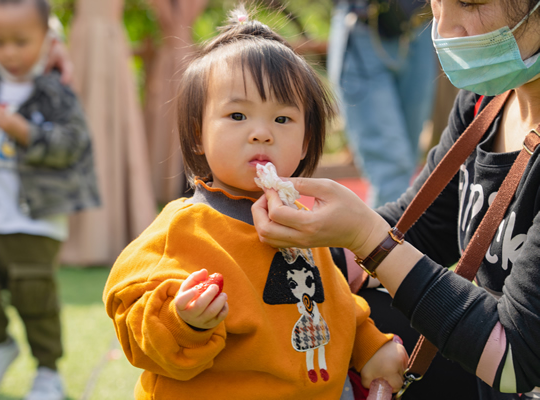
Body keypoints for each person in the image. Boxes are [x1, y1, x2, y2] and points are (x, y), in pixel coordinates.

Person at [103, 6, 407, 400]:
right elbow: (130, 317)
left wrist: (370, 346)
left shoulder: (305, 222)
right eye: (237, 115)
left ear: (305, 141)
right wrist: (182, 321)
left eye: (282, 120)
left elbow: (335, 304)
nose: (261, 133)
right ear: (197, 134)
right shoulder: (183, 228)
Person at [252, 0, 540, 399]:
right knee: (346, 311)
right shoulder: (485, 101)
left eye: (473, 3)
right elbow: (421, 224)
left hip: (513, 367)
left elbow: (517, 360)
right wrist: (291, 248)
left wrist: (367, 236)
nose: (445, 28)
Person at [0, 0, 100, 398]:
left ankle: (48, 371)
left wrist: (26, 132)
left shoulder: (55, 91)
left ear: (47, 39)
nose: (8, 52)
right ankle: (1, 343)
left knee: (35, 299)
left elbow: (74, 144)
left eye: (20, 41)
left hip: (35, 218)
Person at [327, 0, 437, 207]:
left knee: (408, 160)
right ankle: (385, 238)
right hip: (362, 26)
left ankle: (389, 233)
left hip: (422, 25)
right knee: (392, 167)